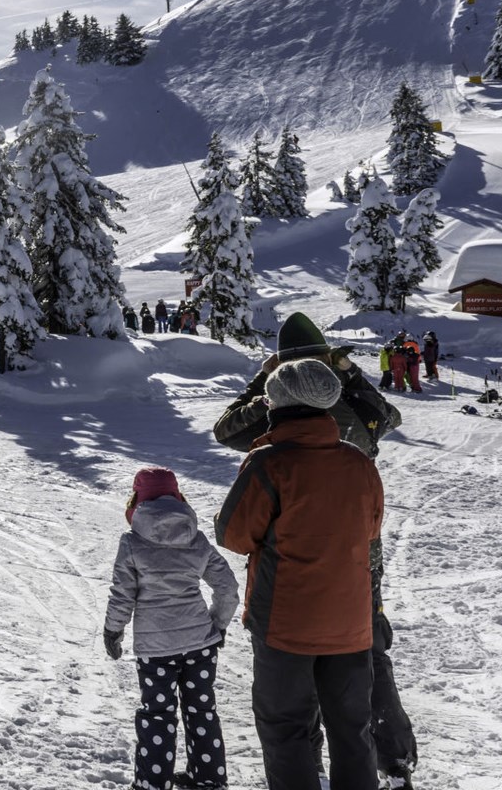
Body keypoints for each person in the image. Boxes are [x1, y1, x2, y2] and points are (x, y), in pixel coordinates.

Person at [211, 313, 415, 784]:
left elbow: (235, 533)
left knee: (287, 722)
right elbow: (386, 421)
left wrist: (263, 379)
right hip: (352, 591)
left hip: (286, 615)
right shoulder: (358, 456)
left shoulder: (268, 457)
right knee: (355, 715)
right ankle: (394, 757)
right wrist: (350, 372)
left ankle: (317, 767)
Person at [103, 467, 238, 790]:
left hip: (156, 650)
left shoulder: (132, 543)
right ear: (178, 496)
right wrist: (218, 624)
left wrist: (113, 630)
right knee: (202, 710)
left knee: (157, 714)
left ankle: (153, 782)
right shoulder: (196, 539)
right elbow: (228, 588)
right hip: (200, 645)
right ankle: (208, 779)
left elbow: (123, 594)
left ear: (137, 500)